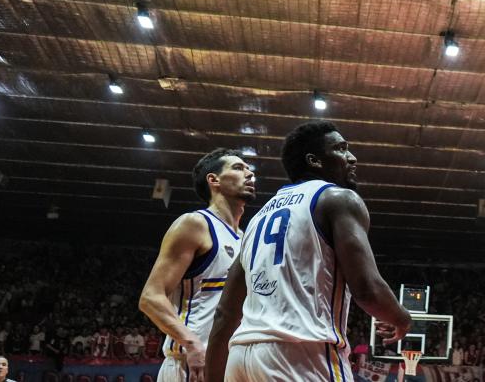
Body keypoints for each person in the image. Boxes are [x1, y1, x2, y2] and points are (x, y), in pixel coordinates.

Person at [204, 121, 414, 381]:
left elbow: (225, 313)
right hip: (302, 354)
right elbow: (367, 289)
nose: (352, 157)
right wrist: (402, 318)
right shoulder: (338, 199)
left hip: (242, 357)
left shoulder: (257, 219)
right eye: (341, 149)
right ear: (314, 160)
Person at [139, 148, 255, 382]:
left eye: (249, 168)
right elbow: (151, 297)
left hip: (231, 365)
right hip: (191, 365)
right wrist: (192, 344)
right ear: (214, 180)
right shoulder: (195, 224)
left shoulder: (246, 238)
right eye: (238, 168)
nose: (249, 174)